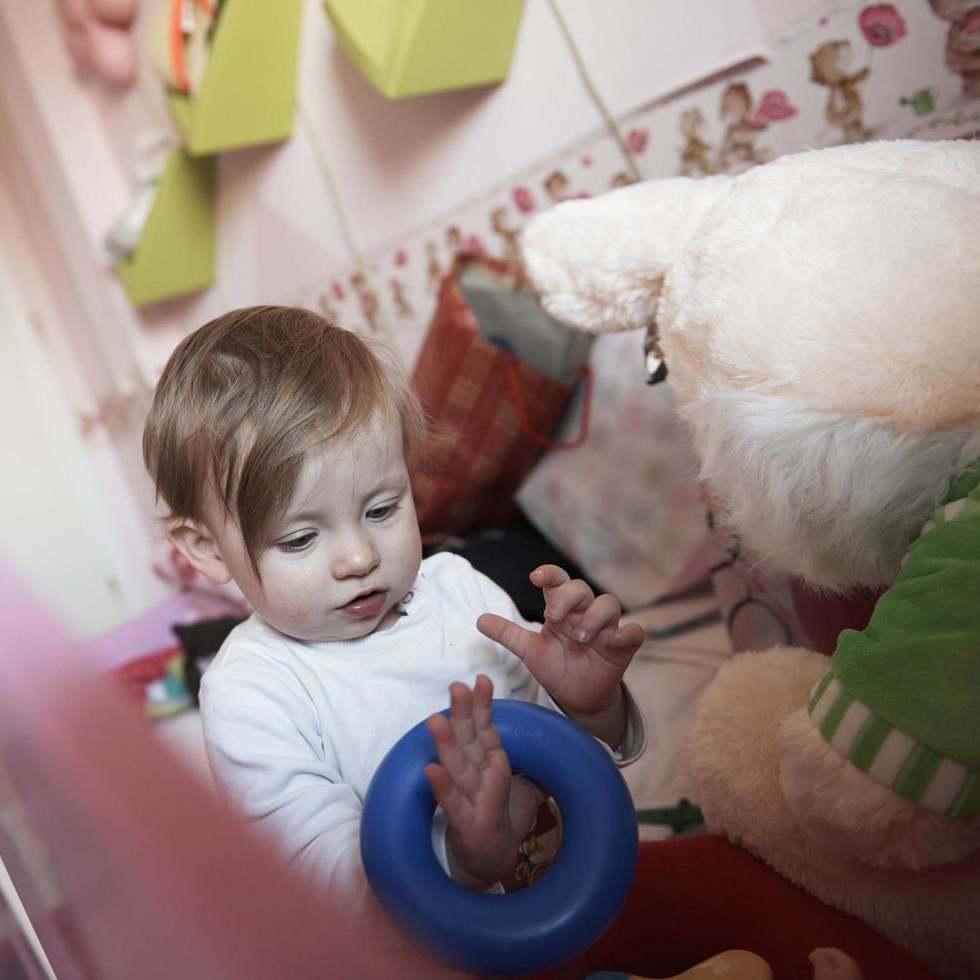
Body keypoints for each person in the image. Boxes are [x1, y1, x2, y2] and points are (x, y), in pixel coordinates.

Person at [141, 305, 646, 910]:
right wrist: (462, 859)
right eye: (301, 539)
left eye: (381, 509)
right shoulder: (253, 694)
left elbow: (566, 770)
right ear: (206, 548)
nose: (358, 556)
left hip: (576, 910)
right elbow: (324, 890)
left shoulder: (462, 591)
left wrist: (593, 709)